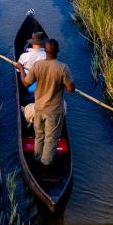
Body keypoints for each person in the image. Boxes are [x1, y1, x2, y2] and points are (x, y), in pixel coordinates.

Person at [14, 38, 74, 168]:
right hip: (53, 112)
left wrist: (21, 69)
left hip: (39, 109)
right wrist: (64, 83)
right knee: (51, 140)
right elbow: (70, 90)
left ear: (45, 51)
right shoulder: (63, 68)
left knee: (39, 136)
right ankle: (45, 167)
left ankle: (36, 157)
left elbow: (25, 83)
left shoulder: (37, 66)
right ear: (57, 51)